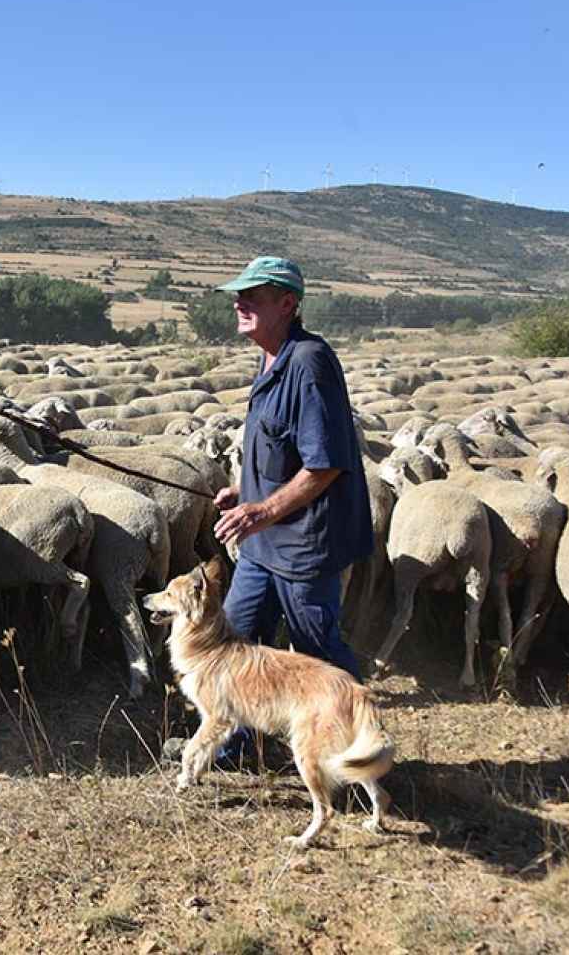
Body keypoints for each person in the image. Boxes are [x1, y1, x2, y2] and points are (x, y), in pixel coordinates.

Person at [209, 256, 374, 765]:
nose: (240, 303)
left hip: (304, 544)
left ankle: (356, 756)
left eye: (252, 296)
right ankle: (240, 744)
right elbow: (283, 448)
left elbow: (324, 466)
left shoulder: (309, 363)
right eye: (238, 295)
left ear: (287, 303)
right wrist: (245, 490)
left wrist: (264, 509)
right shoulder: (271, 359)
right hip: (263, 543)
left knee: (317, 654)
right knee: (236, 643)